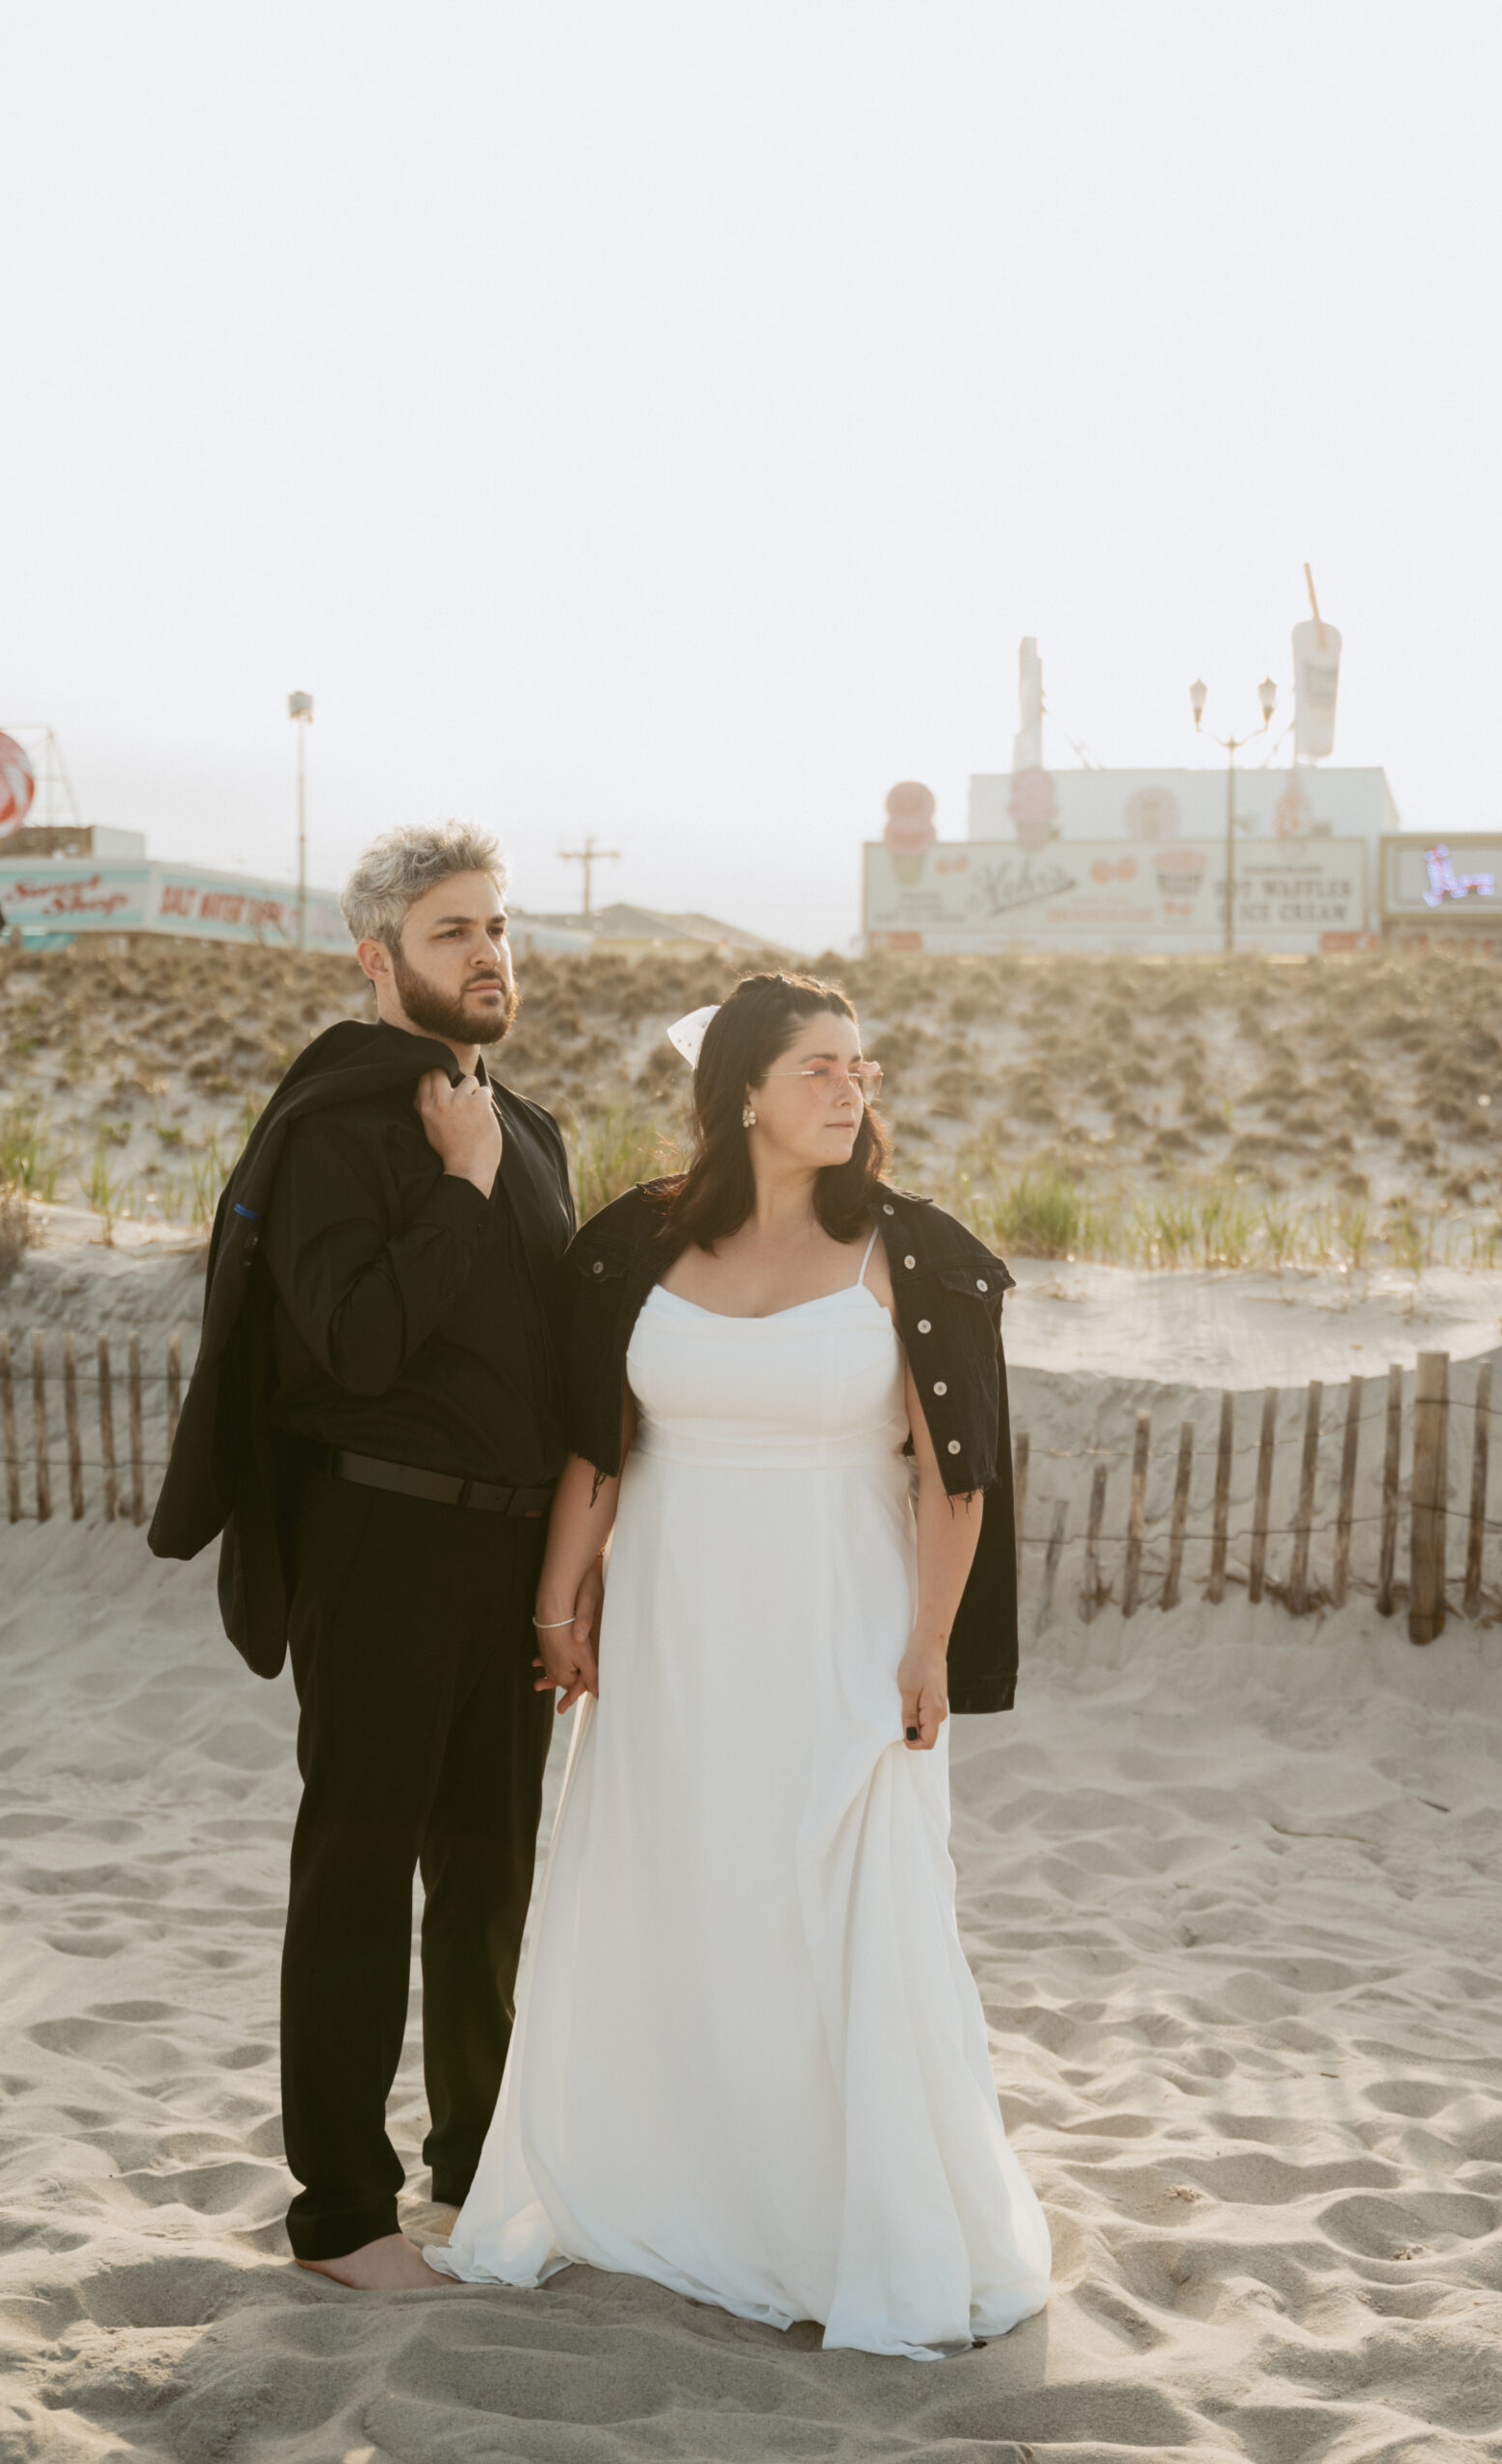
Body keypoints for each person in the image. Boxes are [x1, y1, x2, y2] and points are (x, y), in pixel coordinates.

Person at [429, 972, 1050, 2357]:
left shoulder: (914, 1253)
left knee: (836, 1904)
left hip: (843, 1620)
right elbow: (600, 1443)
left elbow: (959, 1481)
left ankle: (842, 2222)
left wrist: (928, 1648)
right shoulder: (634, 1248)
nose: (850, 1088)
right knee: (678, 1892)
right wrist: (556, 1607)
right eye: (819, 1067)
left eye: (859, 1066)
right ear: (744, 1095)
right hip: (673, 1631)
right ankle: (679, 2194)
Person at [149, 820, 584, 2292]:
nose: (488, 955)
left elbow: (553, 1354)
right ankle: (342, 2212)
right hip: (378, 1537)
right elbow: (359, 1339)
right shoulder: (333, 1126)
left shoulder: (527, 1127)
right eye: (454, 930)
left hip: (512, 1553)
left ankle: (475, 2172)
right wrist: (455, 1187)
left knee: (489, 1878)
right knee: (358, 1868)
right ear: (377, 956)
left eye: (498, 928)